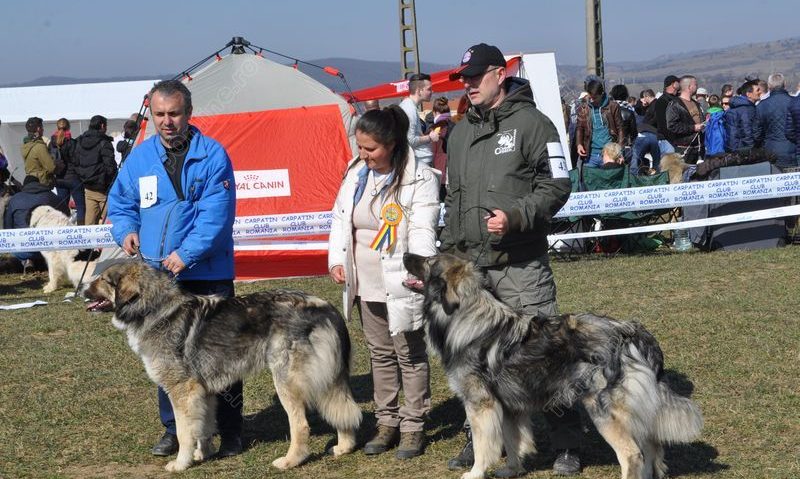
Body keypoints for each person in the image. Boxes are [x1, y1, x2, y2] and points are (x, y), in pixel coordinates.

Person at [442, 42, 576, 476]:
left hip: (520, 266)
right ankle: (481, 442)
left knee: (544, 354)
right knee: (474, 362)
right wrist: (447, 259)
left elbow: (558, 184)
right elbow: (453, 200)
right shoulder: (459, 132)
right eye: (463, 79)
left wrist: (517, 216)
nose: (468, 85)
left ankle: (566, 443)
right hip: (472, 274)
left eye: (475, 77)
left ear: (500, 74)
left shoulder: (534, 124)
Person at [107, 79, 243, 458]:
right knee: (165, 355)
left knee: (221, 355)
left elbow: (216, 215)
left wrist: (186, 254)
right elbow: (120, 204)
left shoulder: (213, 155)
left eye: (175, 113)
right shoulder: (139, 158)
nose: (167, 121)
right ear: (150, 114)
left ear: (189, 114)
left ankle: (229, 430)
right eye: (160, 114)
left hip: (207, 272)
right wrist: (127, 230)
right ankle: (175, 430)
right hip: (159, 280)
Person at [328, 105, 439, 460]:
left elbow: (422, 228)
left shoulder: (421, 179)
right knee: (380, 354)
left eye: (370, 149)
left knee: (409, 353)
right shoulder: (355, 171)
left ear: (391, 144)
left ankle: (412, 426)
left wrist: (419, 268)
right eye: (359, 147)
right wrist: (336, 260)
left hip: (401, 281)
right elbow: (340, 218)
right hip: (365, 281)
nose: (363, 154)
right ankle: (386, 421)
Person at [3, 175, 69, 271]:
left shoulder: (15, 199)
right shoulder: (51, 196)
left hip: (22, 249)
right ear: (39, 183)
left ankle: (28, 260)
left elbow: (8, 226)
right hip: (49, 246)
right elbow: (66, 215)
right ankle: (46, 261)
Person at [73, 115, 117, 225]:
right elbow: (110, 166)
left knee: (90, 223)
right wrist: (107, 180)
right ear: (102, 126)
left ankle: (89, 242)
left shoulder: (79, 141)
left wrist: (83, 176)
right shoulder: (104, 143)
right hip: (103, 189)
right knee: (111, 222)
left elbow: (75, 162)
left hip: (88, 186)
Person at [576, 77, 624, 168]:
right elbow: (579, 127)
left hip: (609, 153)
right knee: (589, 181)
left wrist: (620, 151)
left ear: (601, 94)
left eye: (595, 98)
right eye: (590, 97)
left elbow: (620, 128)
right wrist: (579, 144)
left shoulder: (613, 106)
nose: (592, 100)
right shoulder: (584, 108)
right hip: (590, 154)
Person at [754, 73, 795, 168]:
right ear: (785, 84)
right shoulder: (795, 102)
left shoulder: (761, 106)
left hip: (771, 150)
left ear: (769, 86)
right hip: (793, 149)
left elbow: (757, 133)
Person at [399, 73, 440, 165]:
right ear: (419, 91)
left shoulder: (408, 106)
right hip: (420, 160)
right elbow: (410, 140)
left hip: (419, 159)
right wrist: (430, 137)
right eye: (429, 89)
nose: (432, 92)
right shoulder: (410, 110)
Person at [50, 118, 85, 225]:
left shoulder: (51, 143)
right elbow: (77, 161)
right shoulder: (72, 143)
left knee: (62, 207)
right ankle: (81, 229)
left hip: (60, 178)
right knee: (80, 207)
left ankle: (62, 229)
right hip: (73, 178)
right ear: (68, 127)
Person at [666, 75, 704, 164]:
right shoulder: (675, 105)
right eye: (695, 84)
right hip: (684, 149)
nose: (697, 86)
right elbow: (672, 126)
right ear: (689, 87)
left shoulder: (696, 103)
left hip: (699, 147)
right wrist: (693, 128)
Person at [724, 80, 759, 152]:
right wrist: (753, 150)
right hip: (743, 150)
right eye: (757, 90)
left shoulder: (736, 107)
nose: (760, 92)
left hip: (732, 147)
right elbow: (747, 132)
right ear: (749, 94)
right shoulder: (747, 109)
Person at [21, 117, 56, 188]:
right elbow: (51, 168)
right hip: (42, 183)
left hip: (31, 181)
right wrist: (56, 163)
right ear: (38, 129)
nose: (43, 129)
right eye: (42, 127)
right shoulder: (39, 146)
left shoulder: (25, 145)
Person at [430, 96, 454, 200]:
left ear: (434, 112)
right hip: (452, 172)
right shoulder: (456, 126)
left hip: (438, 172)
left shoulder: (433, 130)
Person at [632, 88, 660, 175]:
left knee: (637, 158)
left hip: (647, 132)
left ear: (647, 96)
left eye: (644, 98)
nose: (644, 100)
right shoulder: (651, 105)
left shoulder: (655, 105)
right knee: (657, 160)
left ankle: (636, 177)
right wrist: (642, 104)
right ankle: (657, 175)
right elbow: (639, 110)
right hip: (654, 134)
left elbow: (654, 119)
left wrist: (646, 124)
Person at [609, 84, 637, 164]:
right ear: (626, 95)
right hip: (624, 145)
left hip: (609, 145)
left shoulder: (607, 110)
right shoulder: (630, 110)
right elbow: (633, 132)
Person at [655, 75, 680, 155]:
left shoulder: (676, 99)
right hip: (667, 140)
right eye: (677, 82)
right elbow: (663, 123)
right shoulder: (662, 101)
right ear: (673, 84)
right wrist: (673, 139)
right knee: (670, 165)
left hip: (675, 139)